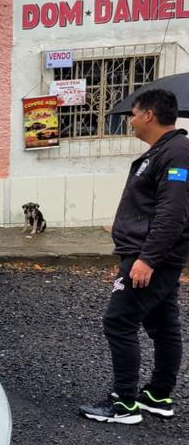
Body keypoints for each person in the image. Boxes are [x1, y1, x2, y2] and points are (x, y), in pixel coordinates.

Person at [80, 88, 189, 424]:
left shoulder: (177, 153)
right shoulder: (163, 152)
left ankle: (124, 402)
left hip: (151, 257)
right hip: (149, 253)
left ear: (149, 115)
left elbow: (172, 212)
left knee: (119, 321)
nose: (130, 120)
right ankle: (158, 395)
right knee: (163, 323)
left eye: (133, 113)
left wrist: (148, 259)